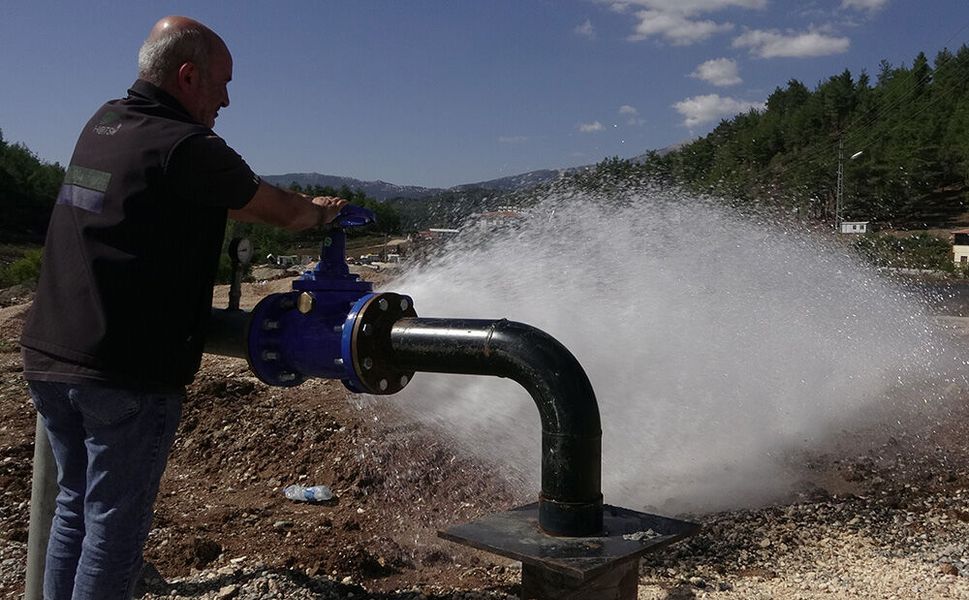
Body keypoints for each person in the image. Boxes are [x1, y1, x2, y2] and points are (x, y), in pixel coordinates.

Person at [19, 16, 346, 600]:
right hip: (126, 369)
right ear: (187, 75)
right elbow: (272, 208)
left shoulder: (106, 122)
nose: (227, 98)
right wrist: (321, 213)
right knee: (113, 534)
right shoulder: (188, 146)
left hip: (50, 353)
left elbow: (208, 201)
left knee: (73, 509)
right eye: (221, 82)